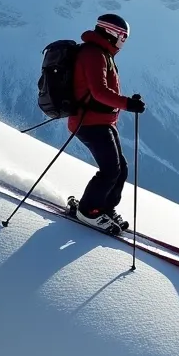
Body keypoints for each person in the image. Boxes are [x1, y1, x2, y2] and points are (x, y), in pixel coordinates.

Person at [69, 13, 145, 232]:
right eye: (123, 37)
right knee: (111, 170)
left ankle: (104, 208)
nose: (124, 42)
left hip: (102, 121)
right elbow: (99, 91)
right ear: (112, 33)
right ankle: (88, 211)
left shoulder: (103, 54)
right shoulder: (93, 54)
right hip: (89, 122)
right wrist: (127, 104)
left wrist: (126, 103)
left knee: (120, 169)